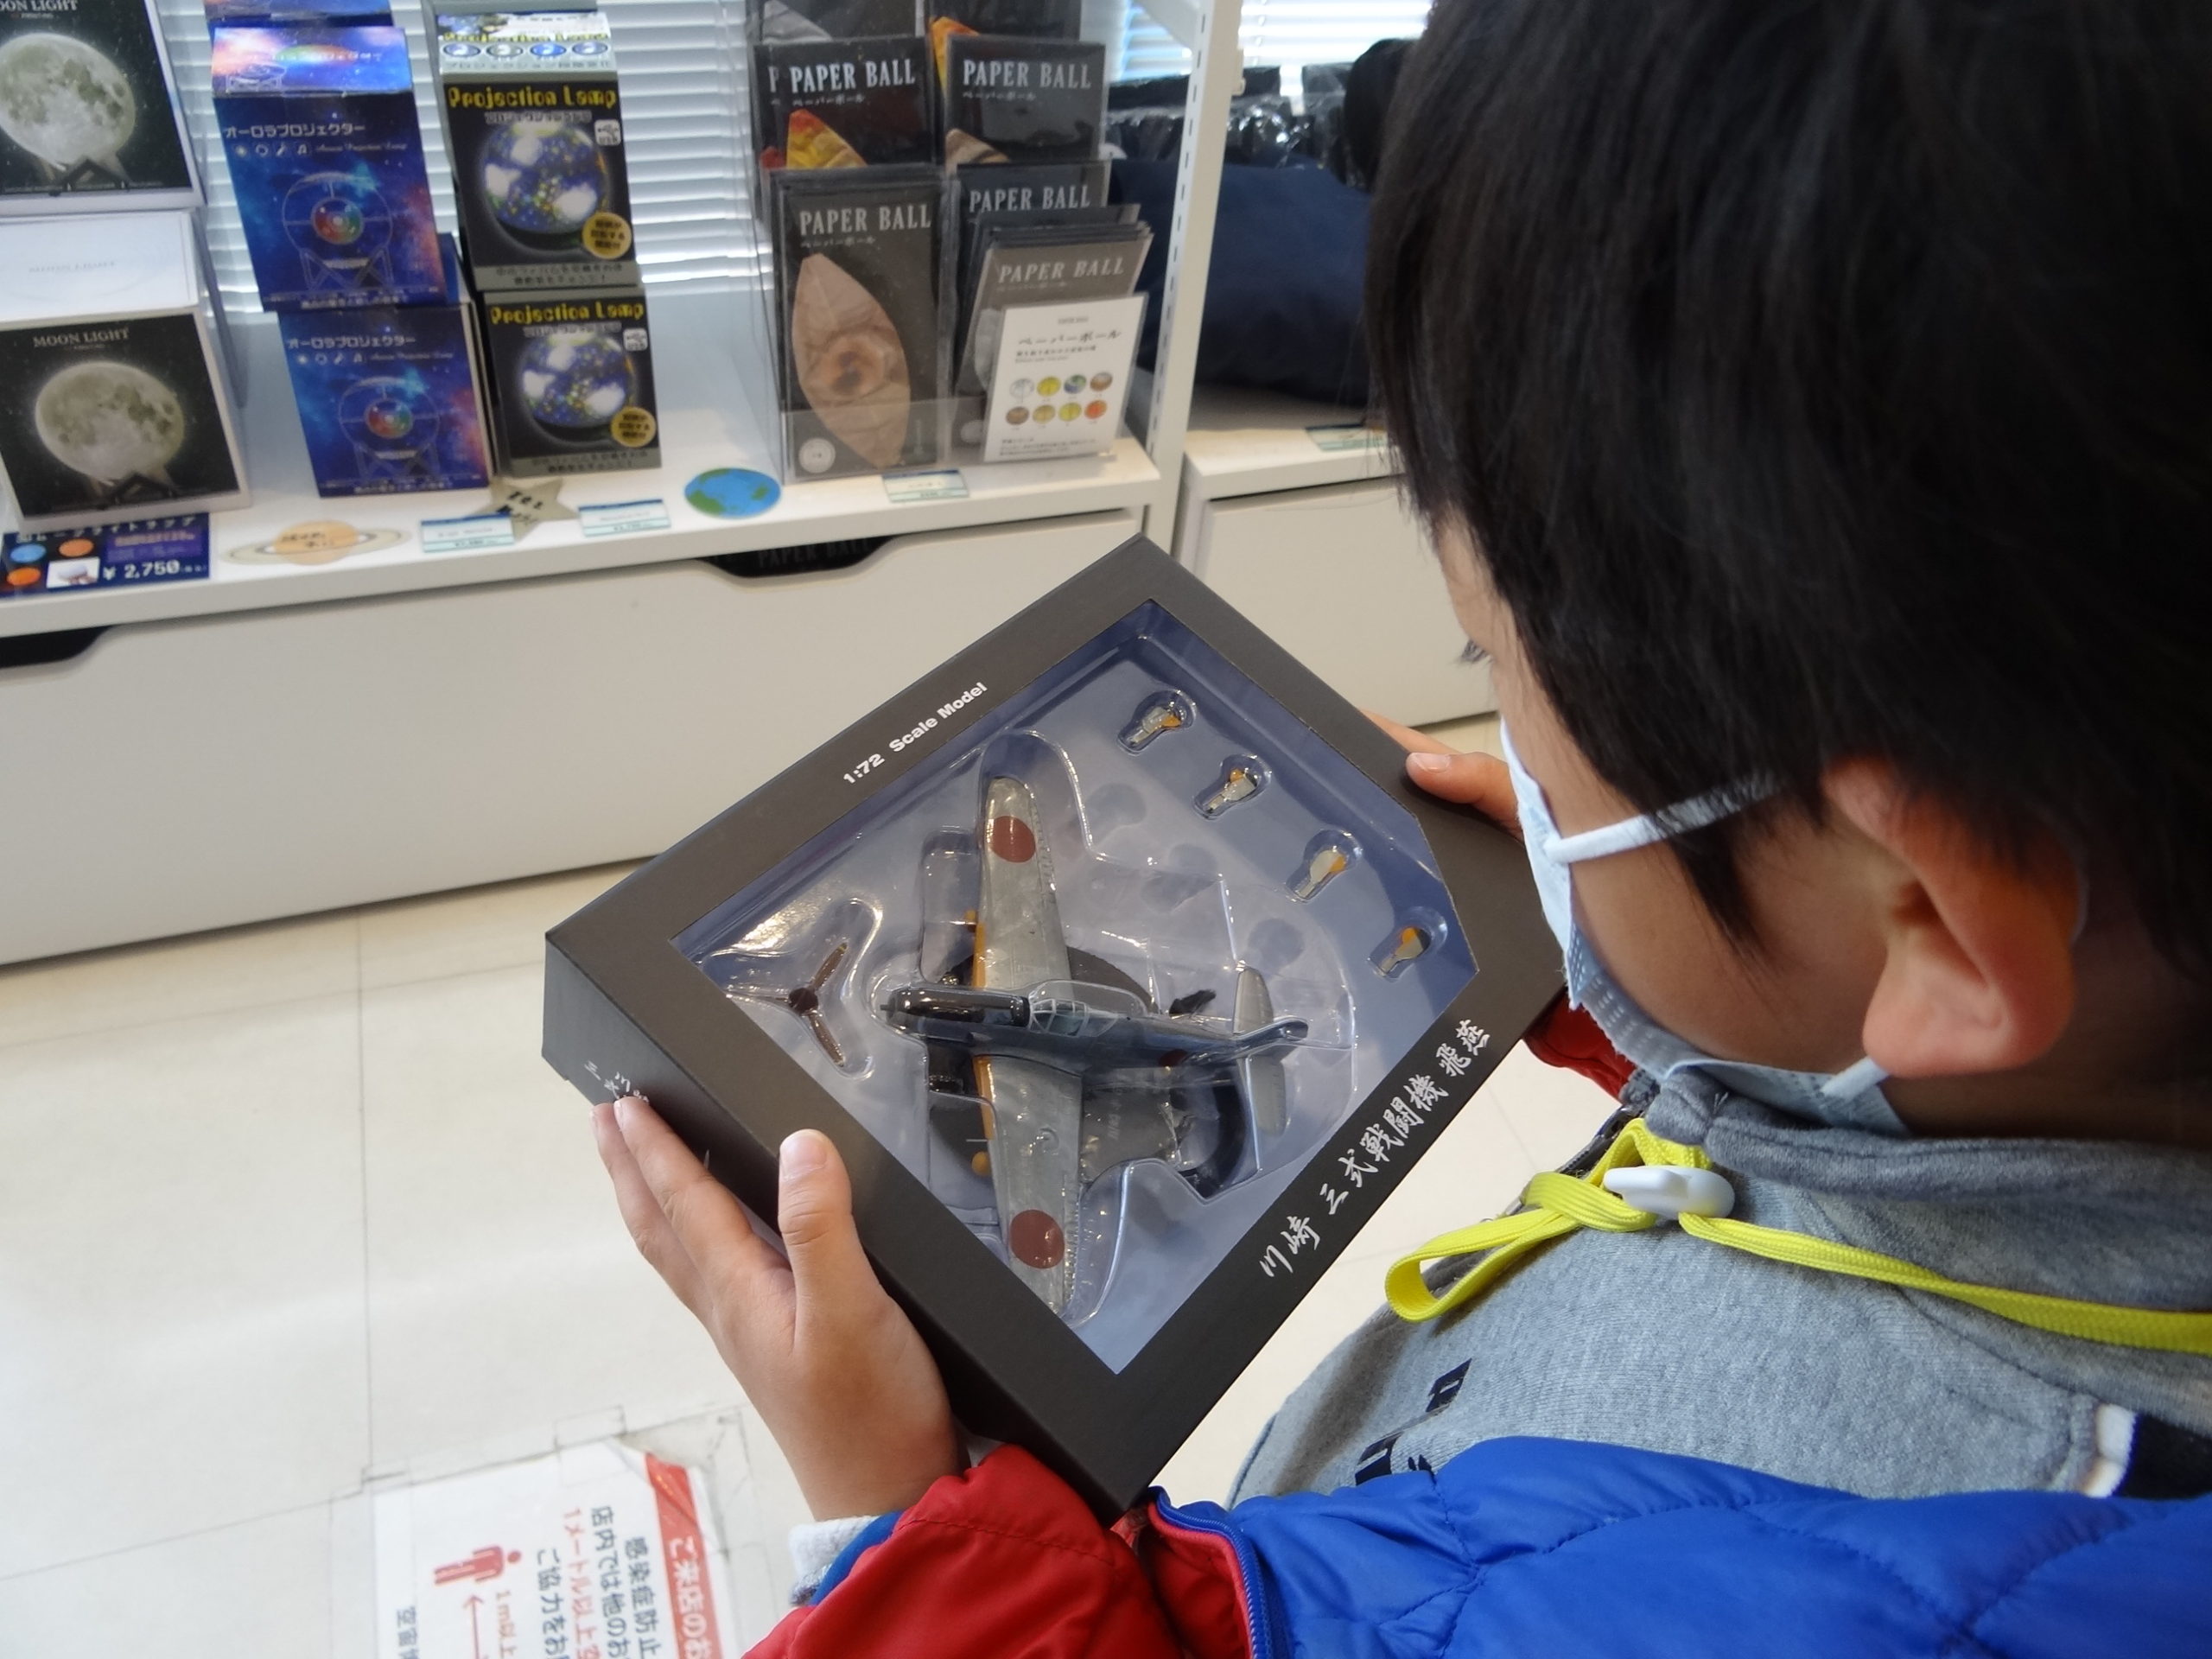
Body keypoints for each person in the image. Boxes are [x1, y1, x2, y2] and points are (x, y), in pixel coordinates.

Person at [591, 0, 2212, 1649]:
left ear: (1929, 916)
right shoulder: (2081, 1071)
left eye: (1499, 675)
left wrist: (915, 1528)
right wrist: (1655, 954)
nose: (1507, 758)